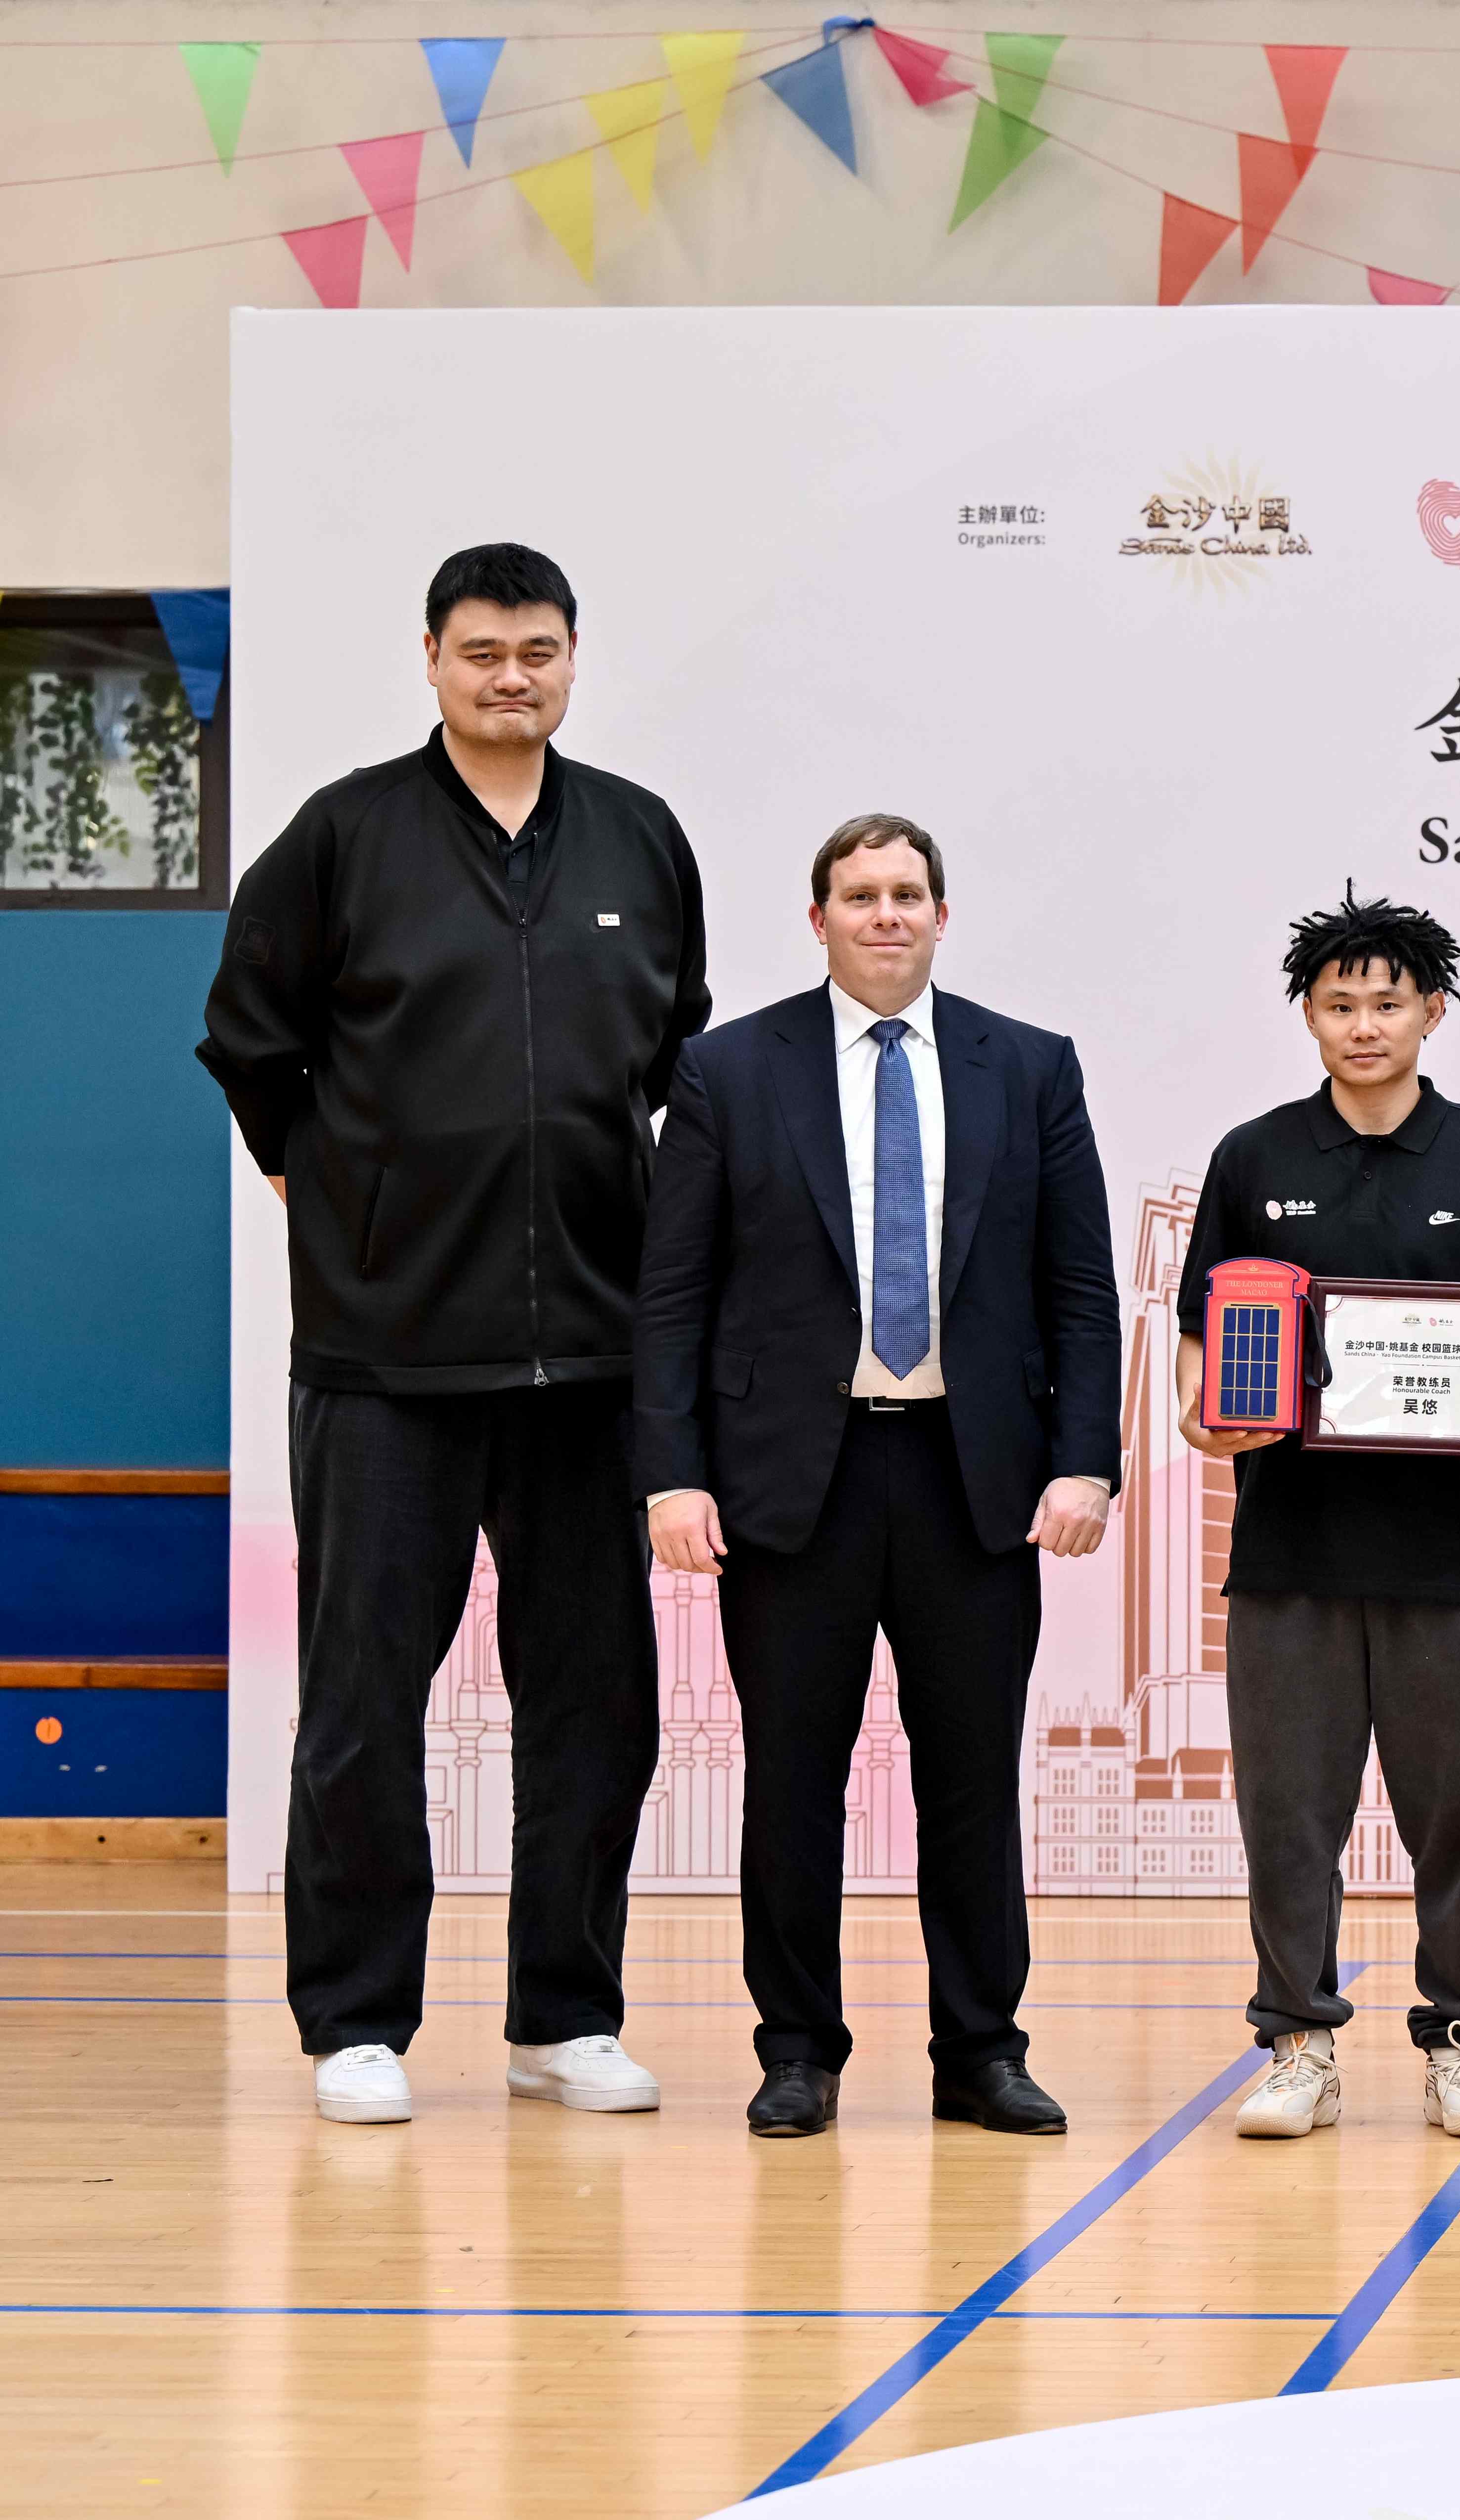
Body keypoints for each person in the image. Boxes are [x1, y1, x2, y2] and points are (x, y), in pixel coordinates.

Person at [199, 542, 706, 2127]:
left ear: (573, 659)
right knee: (365, 1701)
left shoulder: (637, 835)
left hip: (592, 1361)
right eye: (481, 651)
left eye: (536, 651)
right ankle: (356, 2020)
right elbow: (250, 1043)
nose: (510, 677)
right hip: (387, 1358)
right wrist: (344, 1196)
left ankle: (565, 2016)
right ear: (431, 658)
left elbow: (671, 1056)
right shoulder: (345, 833)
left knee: (596, 1704)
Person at [632, 814, 1117, 2138]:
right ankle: (797, 2050)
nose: (885, 914)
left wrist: (1085, 1461)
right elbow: (672, 1295)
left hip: (976, 1479)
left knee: (973, 1779)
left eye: (908, 893)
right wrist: (671, 1474)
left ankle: (981, 2052)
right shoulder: (729, 1070)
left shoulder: (1029, 1066)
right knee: (793, 1779)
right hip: (795, 1481)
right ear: (819, 920)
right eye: (860, 895)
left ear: (942, 916)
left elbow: (1079, 1288)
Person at [1177, 890, 1460, 2145]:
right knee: (1288, 1814)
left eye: (1387, 1003)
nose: (1363, 1024)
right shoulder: (1255, 1157)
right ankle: (1297, 2043)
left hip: (1456, 1551)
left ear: (1432, 1012)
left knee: (1458, 1815)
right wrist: (1205, 1419)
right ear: (1308, 1014)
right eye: (1339, 1003)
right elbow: (1200, 1344)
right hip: (1291, 1548)